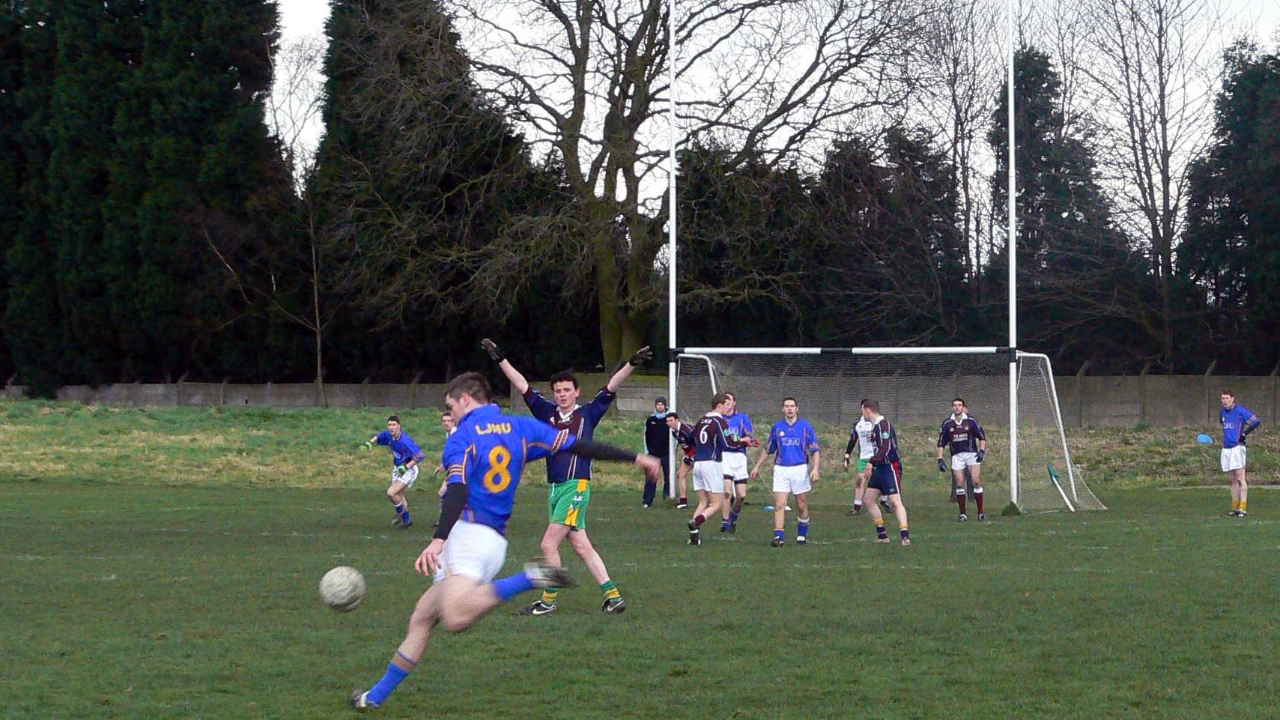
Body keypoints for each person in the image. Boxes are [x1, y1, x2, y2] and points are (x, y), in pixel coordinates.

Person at [349, 372, 661, 710]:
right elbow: (578, 444)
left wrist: (438, 539)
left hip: (468, 536)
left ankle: (531, 578)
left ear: (465, 399)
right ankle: (373, 698)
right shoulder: (520, 428)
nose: (449, 413)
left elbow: (457, 489)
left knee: (454, 617)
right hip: (491, 541)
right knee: (422, 617)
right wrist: (635, 458)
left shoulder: (463, 437)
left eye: (450, 406)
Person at [482, 337, 652, 616]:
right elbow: (522, 384)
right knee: (582, 547)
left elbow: (611, 387)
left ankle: (548, 601)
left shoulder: (588, 414)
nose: (561, 394)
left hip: (576, 487)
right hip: (555, 488)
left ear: (576, 391)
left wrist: (631, 364)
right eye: (557, 390)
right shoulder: (547, 413)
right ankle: (613, 596)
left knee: (548, 544)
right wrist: (500, 358)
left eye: (566, 390)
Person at [750, 398, 821, 547]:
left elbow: (815, 449)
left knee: (801, 504)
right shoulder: (777, 427)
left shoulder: (805, 427)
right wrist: (757, 466)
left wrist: (815, 469)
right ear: (783, 409)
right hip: (781, 469)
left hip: (800, 468)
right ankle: (778, 536)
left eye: (792, 406)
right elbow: (768, 449)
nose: (789, 409)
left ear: (797, 409)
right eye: (787, 406)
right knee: (779, 504)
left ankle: (802, 534)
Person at [687, 392, 752, 545]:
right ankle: (696, 522)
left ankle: (693, 536)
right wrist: (744, 443)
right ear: (720, 406)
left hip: (698, 464)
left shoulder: (702, 420)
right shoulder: (719, 421)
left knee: (702, 502)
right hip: (711, 463)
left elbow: (690, 438)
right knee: (717, 504)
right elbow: (728, 444)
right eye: (726, 405)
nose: (727, 408)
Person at [857, 400, 910, 546]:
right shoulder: (876, 427)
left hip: (890, 467)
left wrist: (871, 462)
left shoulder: (883, 424)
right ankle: (882, 535)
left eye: (863, 410)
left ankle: (905, 536)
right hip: (879, 468)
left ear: (867, 410)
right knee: (868, 499)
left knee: (895, 501)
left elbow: (886, 448)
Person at [361, 416, 426, 529]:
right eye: (389, 425)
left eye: (394, 425)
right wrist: (369, 443)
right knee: (399, 494)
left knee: (391, 492)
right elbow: (379, 436)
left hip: (408, 469)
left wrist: (406, 467)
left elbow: (420, 455)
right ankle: (406, 520)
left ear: (399, 426)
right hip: (398, 468)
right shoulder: (389, 435)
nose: (391, 427)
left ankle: (400, 513)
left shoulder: (405, 441)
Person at [937, 398, 988, 522]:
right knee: (960, 483)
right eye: (954, 405)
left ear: (963, 407)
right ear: (952, 408)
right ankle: (963, 514)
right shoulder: (947, 424)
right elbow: (941, 443)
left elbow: (982, 437)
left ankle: (980, 512)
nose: (957, 407)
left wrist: (981, 450)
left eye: (959, 405)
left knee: (976, 480)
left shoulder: (971, 421)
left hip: (971, 454)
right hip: (957, 456)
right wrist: (940, 458)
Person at [1220, 388, 1261, 517]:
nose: (1225, 401)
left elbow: (1256, 421)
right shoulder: (1222, 412)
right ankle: (1235, 506)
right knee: (1231, 479)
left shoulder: (1239, 411)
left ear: (1232, 399)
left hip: (1237, 447)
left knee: (1239, 477)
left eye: (1227, 398)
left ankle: (1243, 507)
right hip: (1226, 447)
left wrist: (1244, 434)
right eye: (1223, 398)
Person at [720, 392, 755, 533]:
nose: (727, 405)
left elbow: (749, 438)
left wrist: (745, 440)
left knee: (741, 496)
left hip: (739, 457)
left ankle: (733, 519)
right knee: (727, 492)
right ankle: (725, 522)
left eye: (729, 401)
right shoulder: (719, 419)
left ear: (734, 403)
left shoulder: (742, 418)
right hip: (725, 456)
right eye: (725, 402)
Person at [843, 400, 884, 515]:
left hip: (877, 457)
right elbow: (853, 439)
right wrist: (847, 454)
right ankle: (857, 507)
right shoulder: (858, 423)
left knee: (881, 481)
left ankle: (884, 501)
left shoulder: (878, 422)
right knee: (860, 480)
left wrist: (875, 437)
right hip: (864, 457)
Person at [643, 397, 674, 507]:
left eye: (662, 404)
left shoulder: (669, 419)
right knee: (651, 478)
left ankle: (668, 497)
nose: (660, 406)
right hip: (653, 454)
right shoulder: (651, 420)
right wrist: (647, 451)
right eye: (658, 404)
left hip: (666, 453)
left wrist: (673, 450)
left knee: (669, 476)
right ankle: (647, 500)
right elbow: (646, 436)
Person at [667, 412, 695, 509]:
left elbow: (698, 443)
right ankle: (683, 501)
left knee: (704, 477)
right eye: (667, 421)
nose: (669, 423)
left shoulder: (686, 430)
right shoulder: (674, 432)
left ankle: (713, 500)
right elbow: (684, 445)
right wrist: (687, 456)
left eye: (671, 420)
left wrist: (690, 456)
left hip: (699, 454)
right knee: (681, 474)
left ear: (677, 420)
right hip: (689, 454)